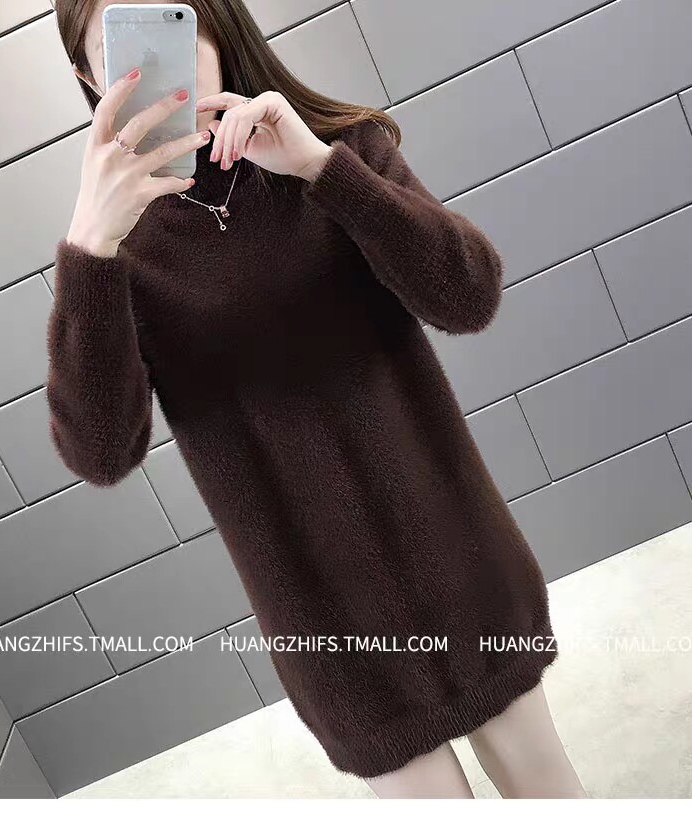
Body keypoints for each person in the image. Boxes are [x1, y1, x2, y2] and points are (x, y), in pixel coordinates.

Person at [48, 0, 587, 799]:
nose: (166, 61)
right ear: (91, 76)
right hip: (331, 633)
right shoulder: (114, 255)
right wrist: (90, 248)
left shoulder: (337, 152)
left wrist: (322, 172)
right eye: (123, 44)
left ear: (218, 24)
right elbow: (99, 453)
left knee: (551, 795)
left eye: (176, 22)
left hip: (462, 562)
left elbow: (469, 296)